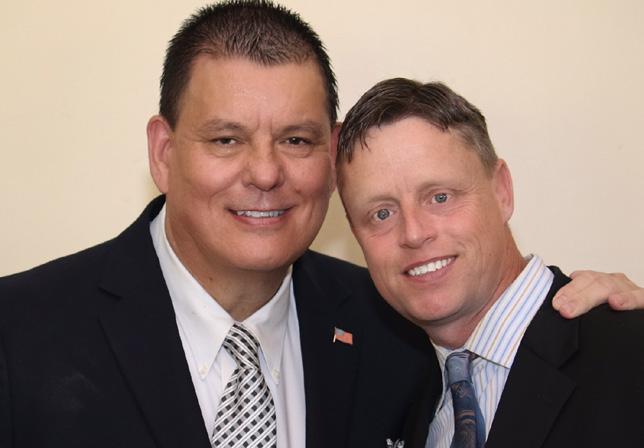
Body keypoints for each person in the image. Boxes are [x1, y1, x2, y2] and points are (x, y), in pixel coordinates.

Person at [0, 2, 640, 448]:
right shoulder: (19, 334)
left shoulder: (397, 328)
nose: (265, 172)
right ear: (164, 153)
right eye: (226, 139)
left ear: (330, 159)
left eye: (297, 140)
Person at [336, 78, 644, 447]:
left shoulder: (629, 352)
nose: (414, 233)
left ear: (502, 191)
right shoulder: (400, 401)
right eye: (382, 214)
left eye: (439, 197)